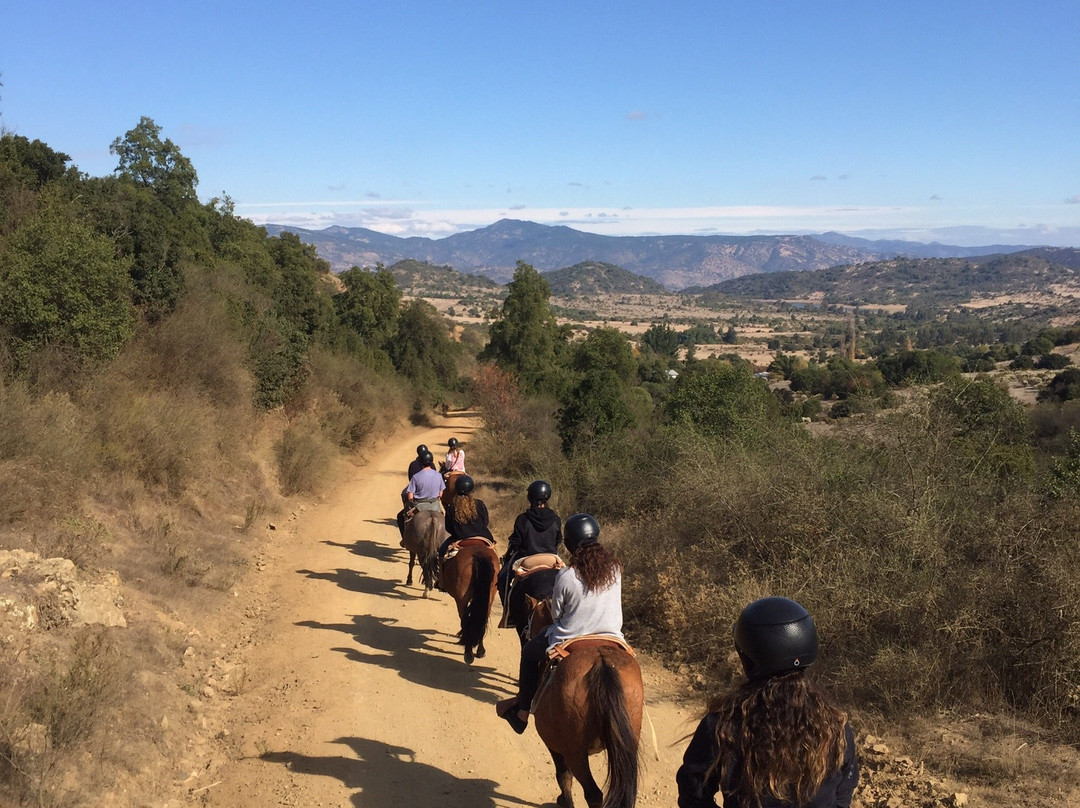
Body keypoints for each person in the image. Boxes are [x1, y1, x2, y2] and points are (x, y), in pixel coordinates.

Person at [676, 597, 859, 808]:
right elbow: (843, 794)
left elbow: (693, 793)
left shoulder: (722, 725)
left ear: (748, 660)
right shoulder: (835, 726)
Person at [497, 513, 623, 734]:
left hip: (571, 636)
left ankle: (522, 714)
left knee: (528, 652)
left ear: (569, 543)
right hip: (613, 635)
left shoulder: (566, 576)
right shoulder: (615, 569)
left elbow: (557, 615)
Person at [497, 480, 562, 604]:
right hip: (551, 559)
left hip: (528, 560)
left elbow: (516, 543)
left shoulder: (523, 519)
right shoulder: (556, 519)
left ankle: (509, 613)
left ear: (530, 497)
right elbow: (558, 540)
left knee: (502, 579)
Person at [439, 474, 493, 558]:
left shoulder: (451, 507)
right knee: (494, 553)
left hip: (459, 539)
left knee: (441, 552)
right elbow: (485, 522)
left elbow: (448, 528)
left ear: (456, 488)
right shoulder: (480, 504)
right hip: (482, 537)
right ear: (471, 489)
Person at [398, 451, 444, 546]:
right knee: (446, 518)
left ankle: (405, 540)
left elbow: (410, 496)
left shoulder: (416, 477)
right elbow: (441, 493)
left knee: (402, 517)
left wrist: (411, 502)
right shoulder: (438, 475)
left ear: (420, 463)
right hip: (435, 505)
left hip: (419, 507)